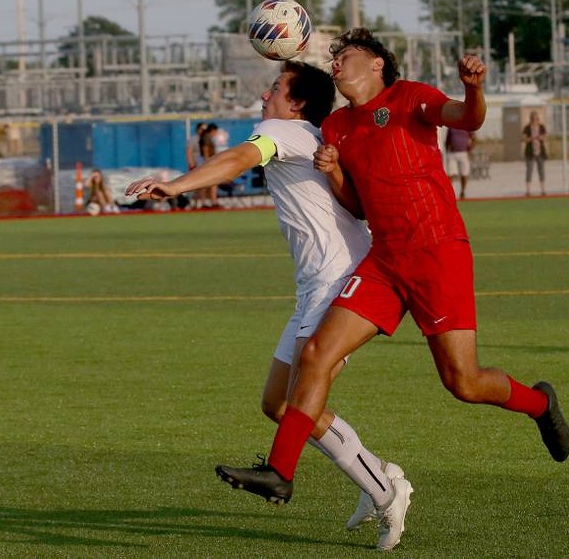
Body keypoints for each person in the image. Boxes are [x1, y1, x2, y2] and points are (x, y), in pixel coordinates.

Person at [216, 28, 569, 551]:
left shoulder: (410, 98)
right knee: (315, 353)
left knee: (464, 382)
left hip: (438, 253)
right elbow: (356, 206)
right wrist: (335, 173)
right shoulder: (336, 125)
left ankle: (539, 404)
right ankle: (280, 473)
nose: (336, 62)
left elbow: (466, 119)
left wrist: (473, 88)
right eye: (333, 57)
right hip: (383, 260)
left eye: (347, 54)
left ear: (378, 63)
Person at [125, 60, 407, 548]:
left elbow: (237, 159)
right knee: (278, 404)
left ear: (295, 104)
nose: (265, 94)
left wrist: (176, 185)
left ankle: (385, 492)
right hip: (315, 283)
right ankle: (379, 482)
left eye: (275, 88)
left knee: (301, 399)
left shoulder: (283, 129)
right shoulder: (308, 135)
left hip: (339, 281)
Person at [445, 126, 475, 199]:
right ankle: (449, 193)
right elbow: (447, 139)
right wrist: (447, 151)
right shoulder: (451, 127)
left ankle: (462, 191)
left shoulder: (467, 126)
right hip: (452, 153)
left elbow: (473, 138)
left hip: (464, 153)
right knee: (451, 173)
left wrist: (470, 149)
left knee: (464, 174)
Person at [522, 111, 548, 197]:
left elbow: (545, 137)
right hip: (530, 152)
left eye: (537, 119)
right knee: (529, 171)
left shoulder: (541, 127)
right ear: (531, 119)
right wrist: (532, 138)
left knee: (541, 171)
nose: (535, 120)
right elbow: (524, 139)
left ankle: (543, 190)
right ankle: (528, 191)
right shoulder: (527, 128)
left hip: (540, 152)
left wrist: (541, 137)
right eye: (533, 119)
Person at [196, 123, 220, 209]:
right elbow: (205, 150)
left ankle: (211, 202)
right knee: (206, 183)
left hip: (206, 161)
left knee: (209, 183)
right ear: (213, 130)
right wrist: (208, 163)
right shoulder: (207, 137)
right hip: (206, 161)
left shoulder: (207, 137)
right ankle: (207, 202)